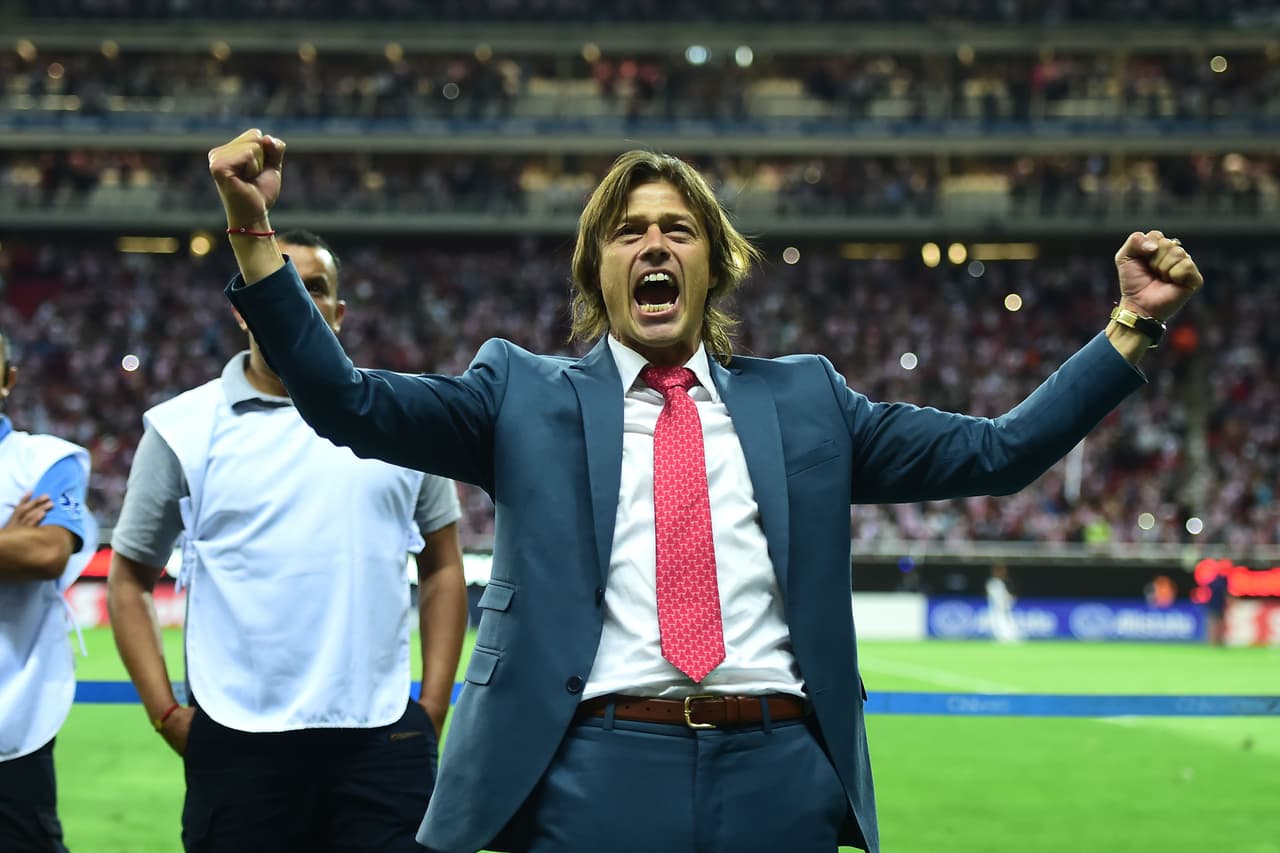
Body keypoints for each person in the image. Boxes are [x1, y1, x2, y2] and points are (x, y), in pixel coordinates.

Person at [209, 129, 1204, 853]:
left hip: (780, 775)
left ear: (713, 262)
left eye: (677, 229)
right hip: (590, 775)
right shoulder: (517, 393)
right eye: (628, 230)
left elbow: (997, 451)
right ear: (596, 268)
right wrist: (254, 234)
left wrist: (1130, 327)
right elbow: (343, 400)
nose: (653, 244)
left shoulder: (808, 402)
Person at [106, 230, 468, 853]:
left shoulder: (403, 420)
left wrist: (431, 706)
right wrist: (166, 713)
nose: (294, 300)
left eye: (314, 288)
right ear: (243, 307)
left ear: (339, 312)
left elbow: (441, 566)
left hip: (381, 737)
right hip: (238, 740)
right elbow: (129, 577)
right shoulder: (181, 429)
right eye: (276, 286)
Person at [0, 330, 96, 853]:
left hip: (14, 722)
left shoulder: (45, 460)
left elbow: (45, 555)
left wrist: (23, 546)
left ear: (8, 379)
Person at [985, 563, 1021, 644]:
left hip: (1004, 607)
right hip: (997, 608)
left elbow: (1007, 596)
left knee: (1007, 622)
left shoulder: (1003, 582)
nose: (1003, 573)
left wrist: (1010, 599)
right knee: (998, 623)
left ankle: (1012, 638)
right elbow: (994, 597)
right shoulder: (993, 582)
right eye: (1000, 571)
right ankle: (1002, 639)